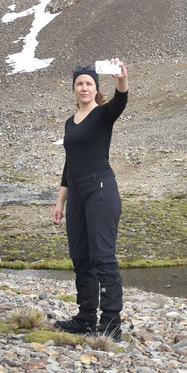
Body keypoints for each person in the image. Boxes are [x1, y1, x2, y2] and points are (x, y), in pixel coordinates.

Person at [52, 59, 129, 340]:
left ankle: (111, 324)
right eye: (79, 84)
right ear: (73, 89)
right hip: (76, 193)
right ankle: (85, 318)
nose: (84, 88)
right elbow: (68, 164)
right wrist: (61, 201)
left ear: (96, 89)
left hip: (100, 189)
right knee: (80, 257)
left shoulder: (102, 114)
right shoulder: (69, 123)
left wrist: (122, 78)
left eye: (89, 84)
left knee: (102, 257)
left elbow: (121, 100)